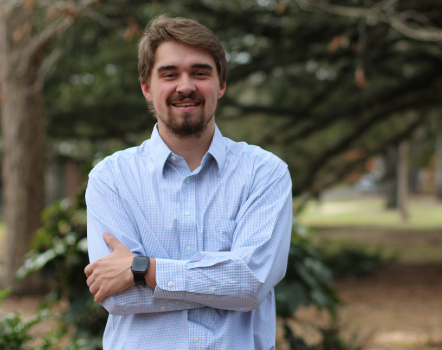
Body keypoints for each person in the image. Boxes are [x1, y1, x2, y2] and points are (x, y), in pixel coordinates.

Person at [82, 15, 293, 350]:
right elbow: (117, 298)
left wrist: (142, 270)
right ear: (147, 88)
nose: (185, 86)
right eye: (170, 74)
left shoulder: (264, 173)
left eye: (200, 72)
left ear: (221, 85)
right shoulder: (111, 179)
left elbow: (251, 283)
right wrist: (224, 285)